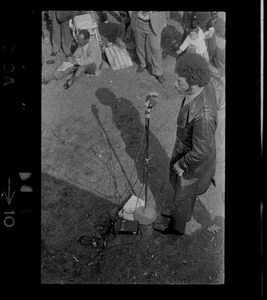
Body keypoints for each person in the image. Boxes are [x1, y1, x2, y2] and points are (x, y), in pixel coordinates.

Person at [153, 53, 218, 236]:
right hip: (192, 153)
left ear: (195, 83)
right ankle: (184, 215)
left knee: (181, 195)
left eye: (180, 82)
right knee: (187, 193)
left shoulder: (204, 117)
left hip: (192, 160)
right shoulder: (205, 88)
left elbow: (202, 150)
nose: (175, 85)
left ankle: (176, 228)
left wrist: (182, 164)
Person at [130, 11, 167, 84]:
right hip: (138, 22)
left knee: (155, 49)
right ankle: (143, 64)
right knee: (139, 46)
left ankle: (158, 72)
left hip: (154, 23)